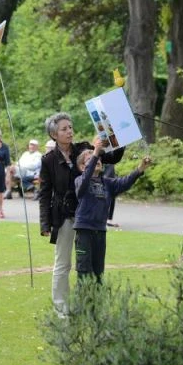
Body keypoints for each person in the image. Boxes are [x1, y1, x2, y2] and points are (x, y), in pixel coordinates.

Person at [39, 112, 124, 318]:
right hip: (64, 217)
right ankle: (61, 310)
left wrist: (114, 134)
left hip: (86, 217)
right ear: (54, 134)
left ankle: (89, 306)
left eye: (70, 127)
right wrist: (45, 223)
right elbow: (44, 193)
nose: (69, 131)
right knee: (63, 264)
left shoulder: (84, 148)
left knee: (89, 265)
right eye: (64, 129)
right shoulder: (49, 160)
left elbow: (114, 157)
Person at [74, 138, 151, 283]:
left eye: (97, 159)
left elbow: (125, 182)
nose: (96, 160)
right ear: (82, 167)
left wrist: (140, 168)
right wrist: (96, 151)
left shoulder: (108, 183)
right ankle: (83, 305)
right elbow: (84, 182)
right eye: (90, 159)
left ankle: (98, 304)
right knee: (84, 272)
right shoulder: (79, 181)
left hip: (100, 232)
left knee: (98, 273)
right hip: (84, 232)